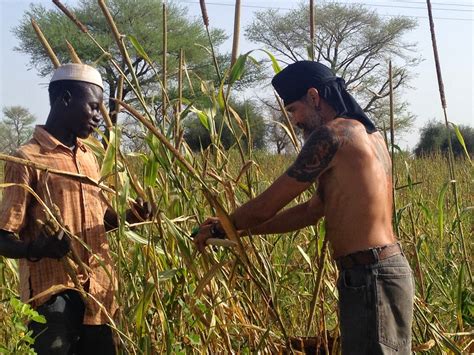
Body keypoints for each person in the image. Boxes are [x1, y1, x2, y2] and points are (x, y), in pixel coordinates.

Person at [194, 61, 414, 354]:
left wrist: (222, 225)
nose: (294, 120)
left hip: (370, 276)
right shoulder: (369, 136)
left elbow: (267, 205)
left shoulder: (333, 136)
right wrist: (240, 232)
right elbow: (310, 212)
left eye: (294, 109)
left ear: (314, 96)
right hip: (379, 273)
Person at [0, 63, 150, 354]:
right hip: (53, 299)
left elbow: (101, 221)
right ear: (65, 99)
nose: (98, 117)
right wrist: (39, 248)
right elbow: (2, 238)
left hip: (99, 292)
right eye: (93, 107)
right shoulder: (26, 159)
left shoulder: (89, 157)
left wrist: (131, 218)